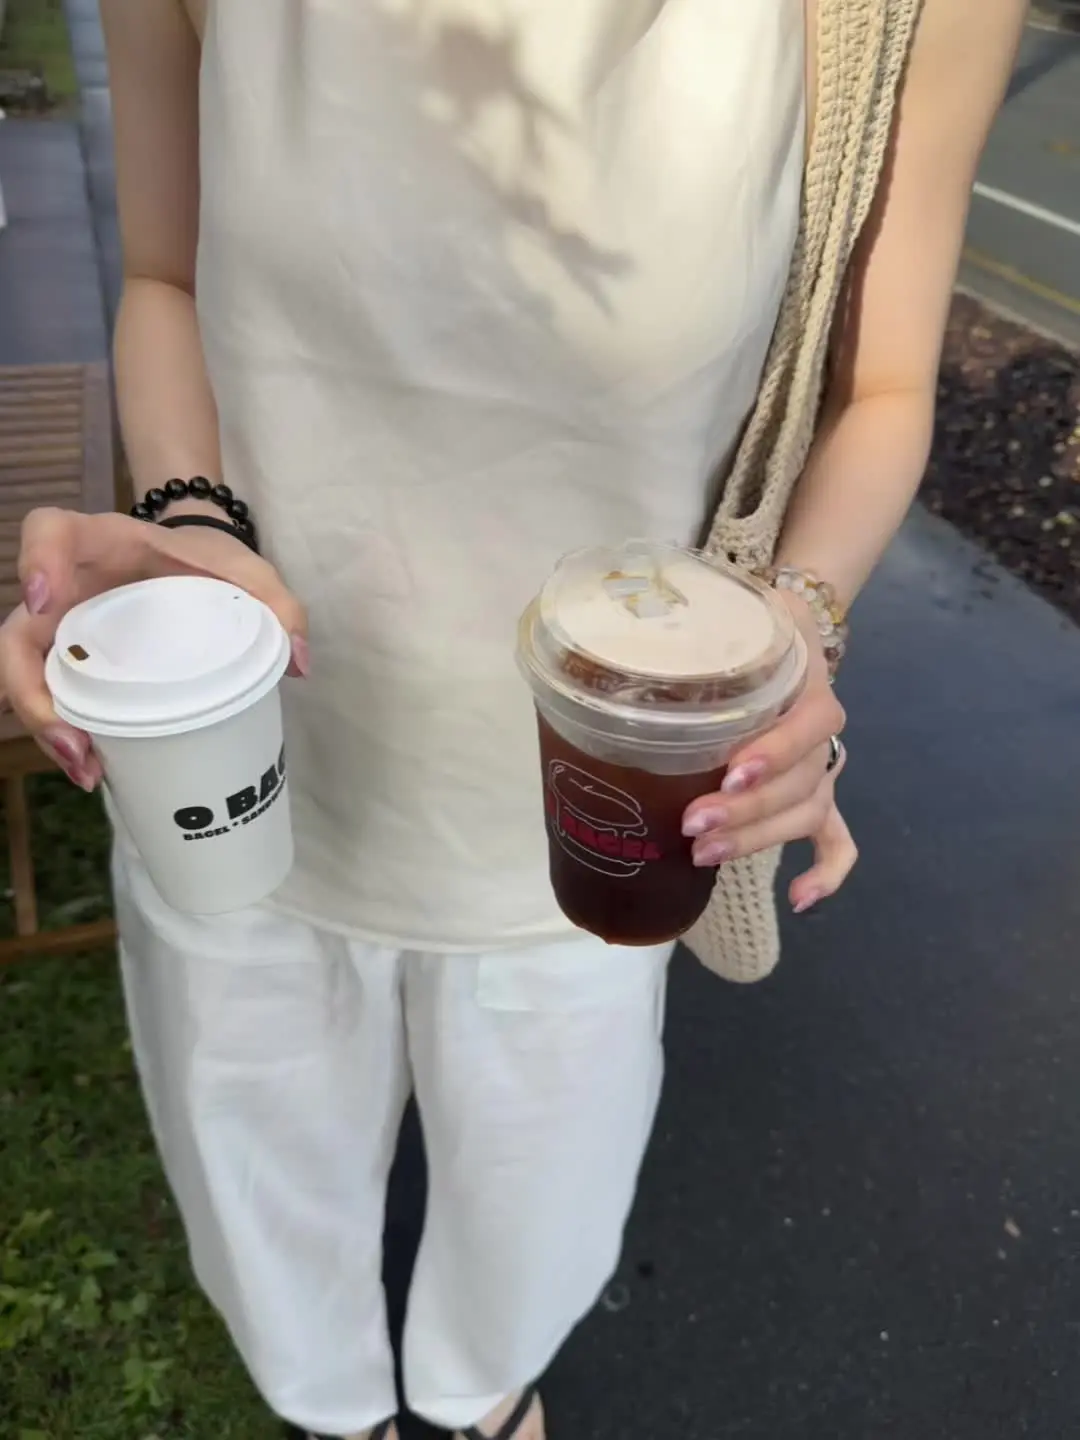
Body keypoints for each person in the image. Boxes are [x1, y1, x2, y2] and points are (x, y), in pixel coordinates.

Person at [0, 2, 1025, 1437]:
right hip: (244, 749)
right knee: (261, 1189)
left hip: (603, 796)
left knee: (533, 1216)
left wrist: (793, 629)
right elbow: (167, 274)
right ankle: (339, 1417)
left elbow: (886, 385)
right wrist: (186, 519)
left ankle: (483, 1404)